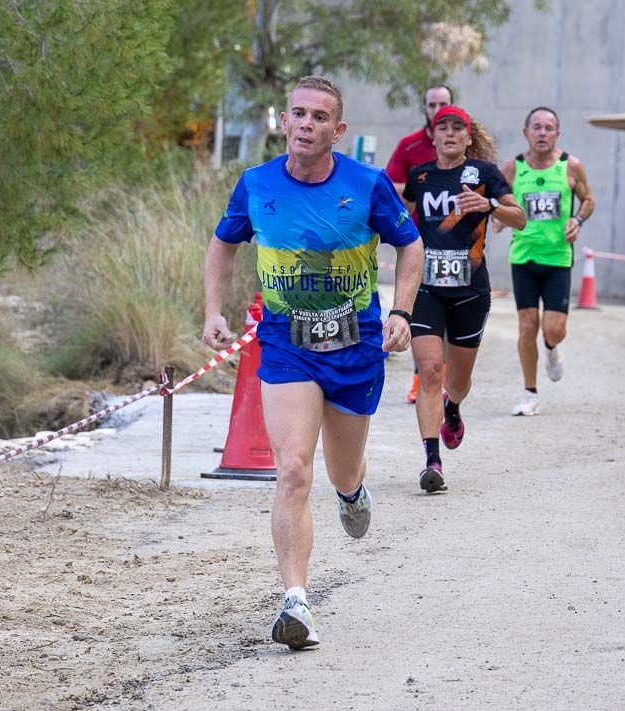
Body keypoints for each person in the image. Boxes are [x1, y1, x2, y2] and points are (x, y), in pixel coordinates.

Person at [203, 75, 423, 651]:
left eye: (319, 117)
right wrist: (212, 311)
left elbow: (411, 244)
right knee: (293, 469)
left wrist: (401, 311)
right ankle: (295, 600)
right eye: (297, 114)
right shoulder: (255, 185)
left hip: (355, 345)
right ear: (284, 121)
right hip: (285, 341)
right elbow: (223, 243)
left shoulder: (368, 184)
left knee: (340, 472)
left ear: (338, 129)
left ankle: (352, 493)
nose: (306, 124)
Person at [403, 105, 524, 492]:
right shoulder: (420, 175)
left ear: (469, 137)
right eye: (444, 128)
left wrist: (489, 205)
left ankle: (452, 409)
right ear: (433, 135)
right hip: (426, 288)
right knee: (430, 371)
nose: (451, 134)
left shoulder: (484, 175)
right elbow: (403, 222)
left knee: (458, 379)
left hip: (470, 289)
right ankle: (431, 461)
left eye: (459, 128)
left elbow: (519, 217)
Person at [498, 106, 595, 416]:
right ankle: (530, 393)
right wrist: (499, 219)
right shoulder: (512, 169)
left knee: (553, 330)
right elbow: (497, 201)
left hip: (557, 258)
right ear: (526, 132)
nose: (542, 133)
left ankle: (552, 349)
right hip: (523, 256)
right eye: (536, 127)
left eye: (548, 128)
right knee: (527, 325)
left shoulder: (571, 166)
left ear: (557, 134)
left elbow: (589, 199)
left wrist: (578, 219)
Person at [386, 83, 453, 403]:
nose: (437, 110)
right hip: (419, 242)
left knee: (453, 315)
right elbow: (390, 185)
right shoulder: (410, 146)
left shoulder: (466, 145)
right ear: (424, 108)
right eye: (432, 104)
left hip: (459, 245)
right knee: (424, 312)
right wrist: (423, 187)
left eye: (443, 104)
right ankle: (420, 377)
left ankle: (446, 377)